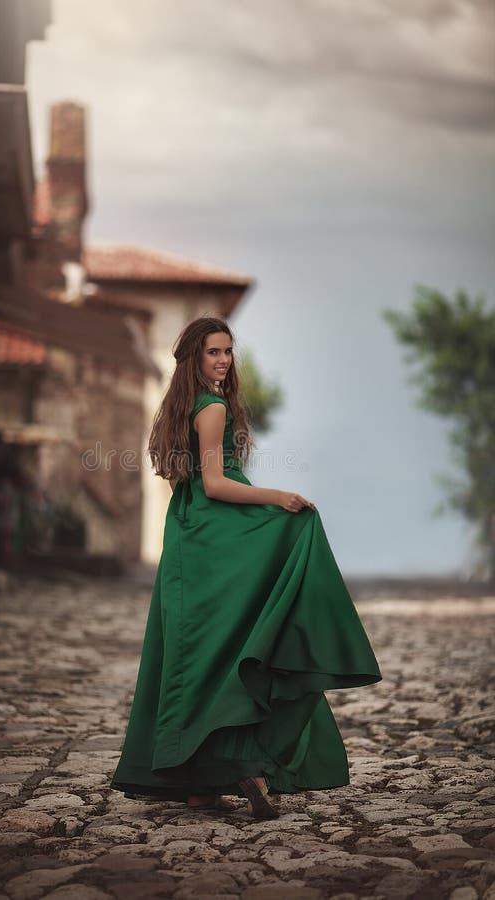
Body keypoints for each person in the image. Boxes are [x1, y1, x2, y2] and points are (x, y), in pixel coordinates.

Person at [109, 316, 381, 819]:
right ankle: (246, 764)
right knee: (247, 636)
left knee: (199, 657)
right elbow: (215, 483)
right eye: (214, 352)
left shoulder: (179, 408)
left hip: (191, 537)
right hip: (217, 532)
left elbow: (185, 486)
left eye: (228, 352)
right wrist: (276, 498)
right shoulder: (211, 407)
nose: (224, 361)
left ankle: (198, 781)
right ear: (195, 358)